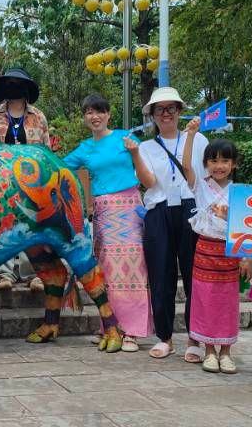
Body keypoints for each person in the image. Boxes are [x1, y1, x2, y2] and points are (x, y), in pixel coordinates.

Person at [62, 94, 153, 352]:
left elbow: (145, 171)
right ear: (84, 117)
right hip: (103, 213)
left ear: (108, 114)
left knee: (133, 270)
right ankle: (110, 327)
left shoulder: (126, 138)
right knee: (109, 272)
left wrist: (135, 152)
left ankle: (133, 332)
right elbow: (60, 167)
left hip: (130, 208)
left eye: (99, 111)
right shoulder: (84, 148)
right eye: (89, 112)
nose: (95, 117)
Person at [137, 87, 209, 361]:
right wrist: (133, 155)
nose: (166, 114)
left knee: (194, 274)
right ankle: (164, 336)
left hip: (191, 209)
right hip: (159, 209)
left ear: (179, 111)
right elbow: (149, 183)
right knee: (160, 274)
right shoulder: (145, 147)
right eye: (160, 109)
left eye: (171, 108)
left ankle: (195, 337)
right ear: (152, 115)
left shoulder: (199, 140)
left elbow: (205, 178)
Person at [178, 117, 243, 373]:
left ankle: (226, 351)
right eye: (213, 161)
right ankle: (208, 350)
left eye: (225, 161)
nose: (219, 166)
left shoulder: (240, 192)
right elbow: (185, 165)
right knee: (204, 299)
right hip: (205, 248)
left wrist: (229, 218)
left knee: (227, 301)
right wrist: (191, 135)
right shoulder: (200, 186)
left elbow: (246, 225)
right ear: (206, 164)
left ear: (234, 164)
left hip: (229, 252)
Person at [0, 67, 53, 292]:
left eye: (19, 84)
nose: (14, 88)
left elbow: (46, 150)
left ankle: (30, 273)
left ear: (27, 88)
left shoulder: (38, 116)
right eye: (10, 84)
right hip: (1, 179)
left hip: (31, 180)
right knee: (3, 223)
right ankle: (5, 272)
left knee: (30, 224)